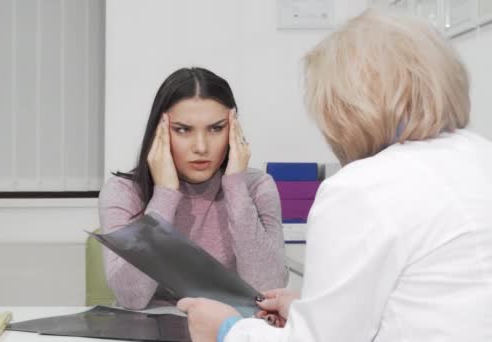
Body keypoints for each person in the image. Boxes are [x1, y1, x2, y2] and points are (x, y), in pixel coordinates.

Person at [177, 10, 492, 342]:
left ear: (344, 107)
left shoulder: (362, 189)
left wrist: (228, 331)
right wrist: (311, 310)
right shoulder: (480, 156)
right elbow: (429, 299)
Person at [98, 67, 288, 310]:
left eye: (216, 128)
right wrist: (165, 195)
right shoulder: (123, 192)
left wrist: (235, 186)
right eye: (183, 130)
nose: (201, 147)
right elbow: (131, 298)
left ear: (234, 130)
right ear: (159, 130)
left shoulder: (257, 188)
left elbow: (268, 292)